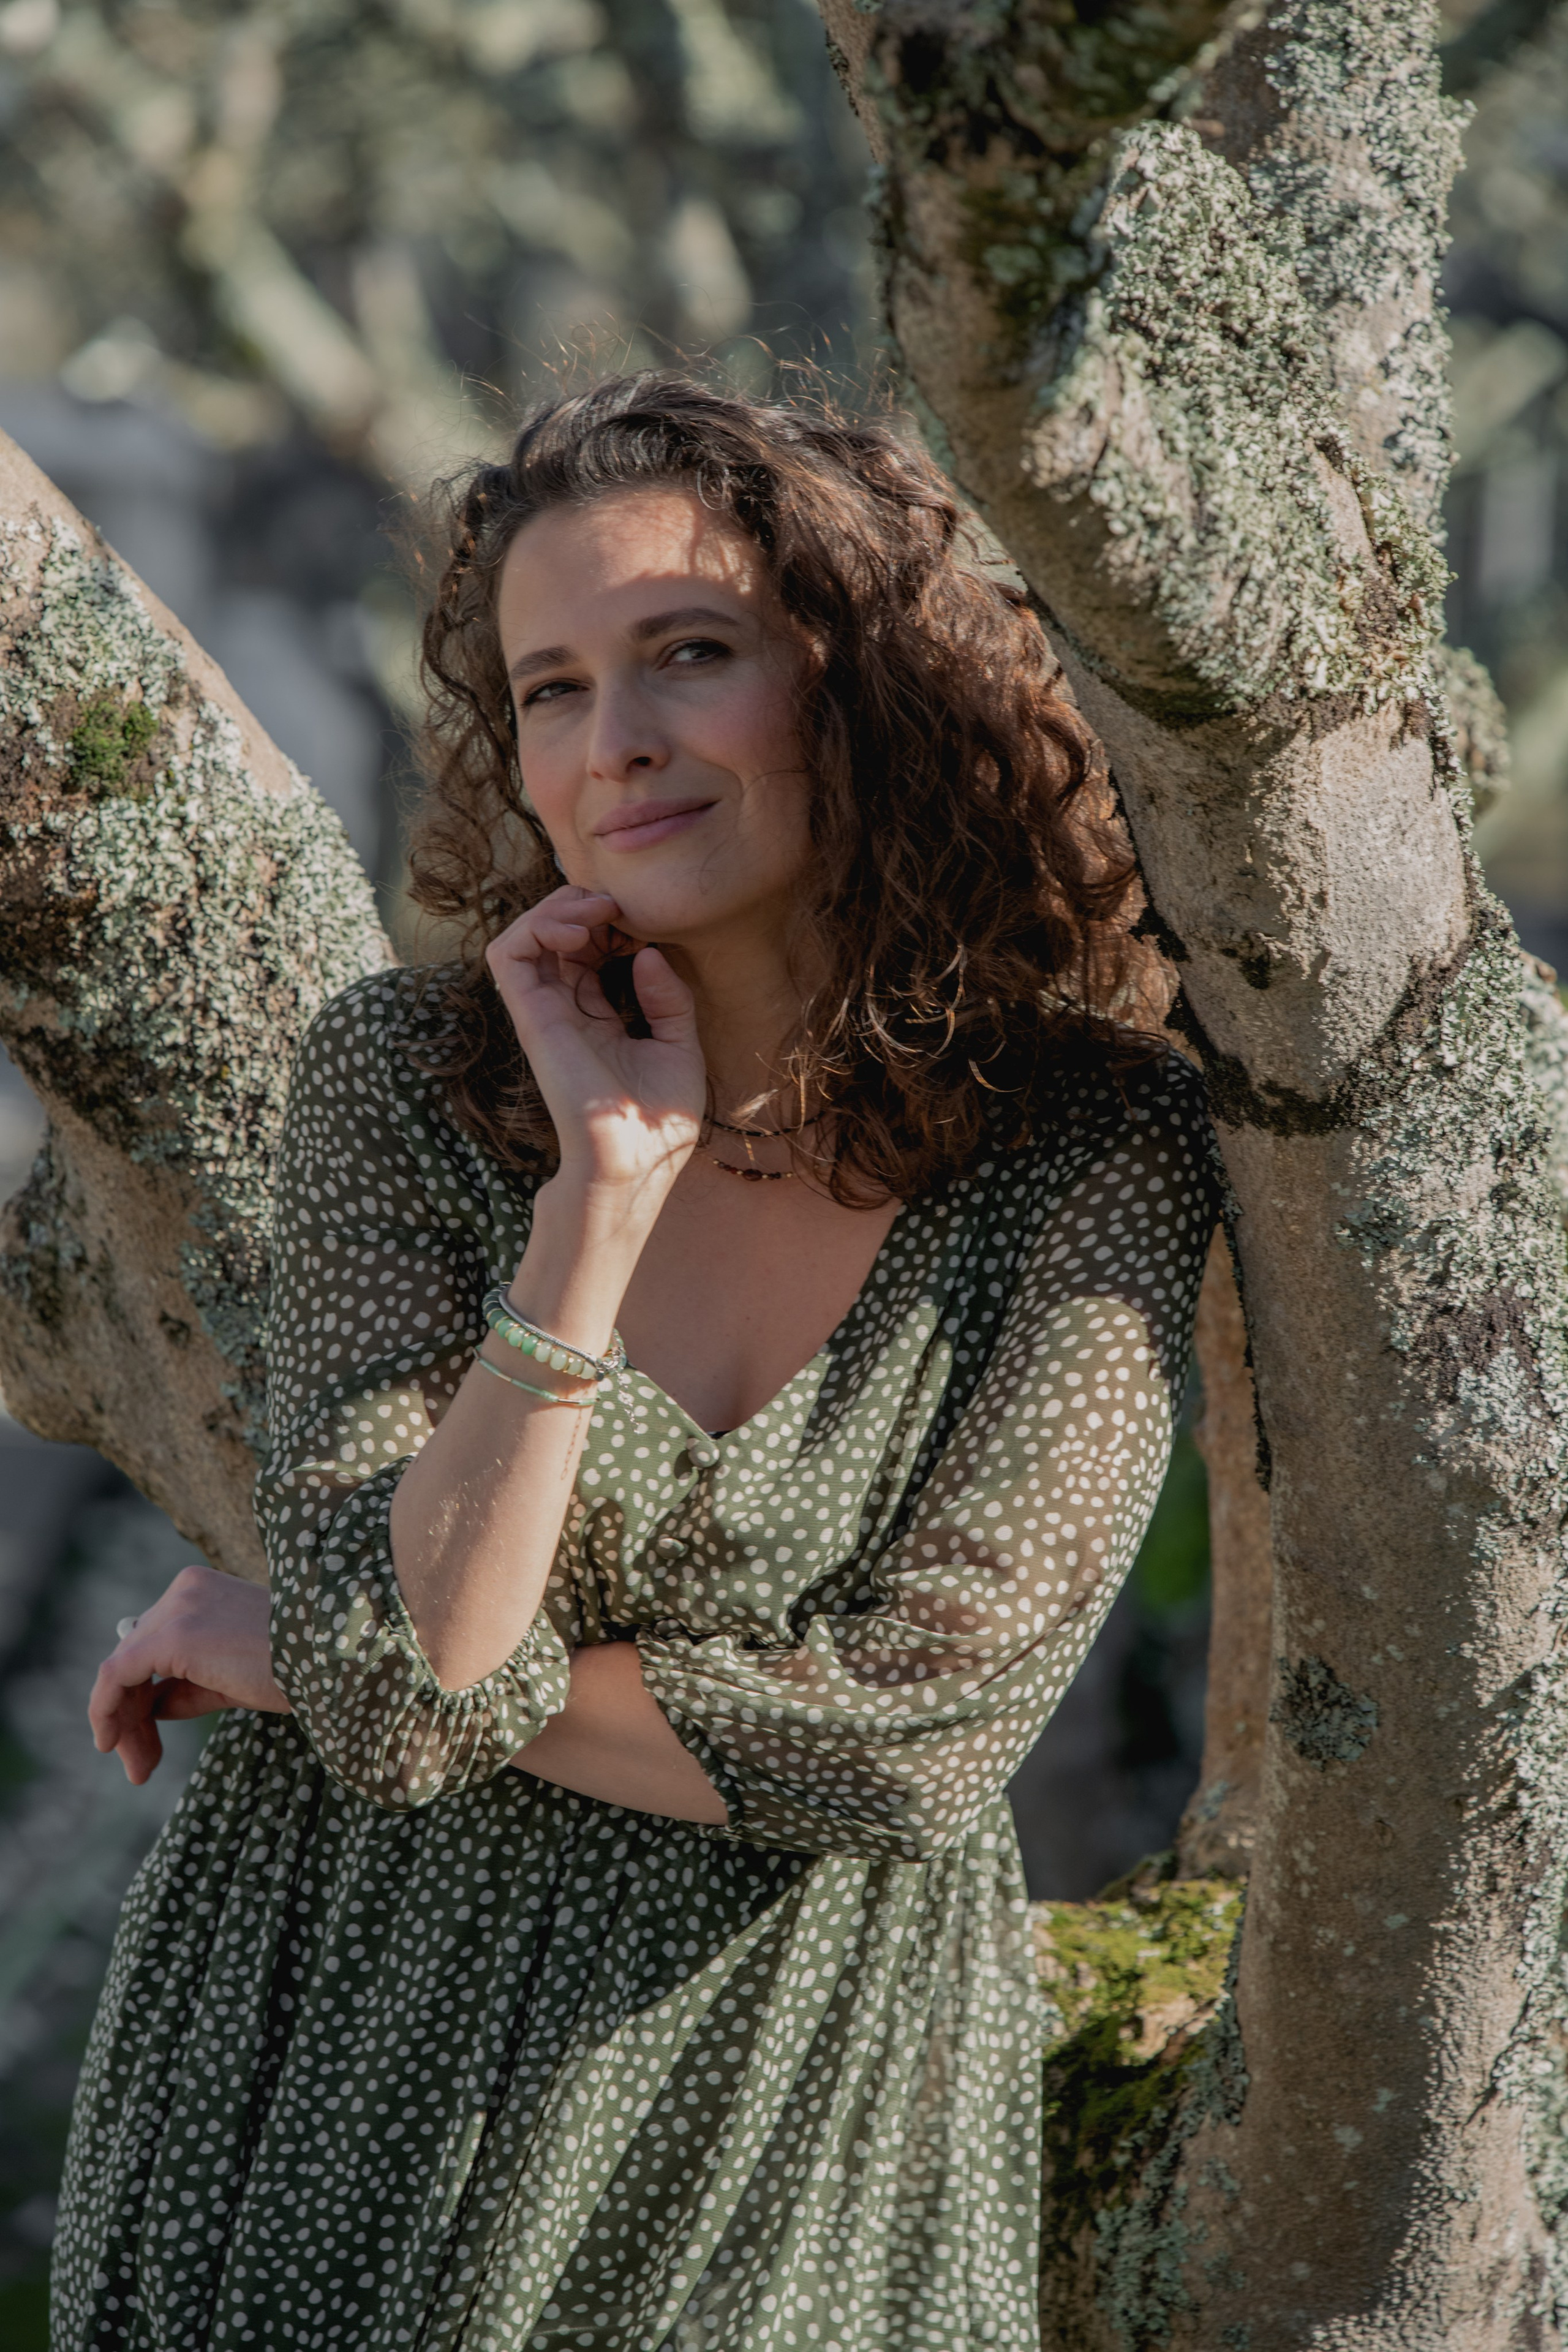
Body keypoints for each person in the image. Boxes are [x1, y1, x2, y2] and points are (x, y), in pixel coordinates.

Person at [55, 374, 1217, 2352]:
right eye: (557, 690)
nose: (619, 746)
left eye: (692, 655)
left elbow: (921, 1739)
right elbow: (412, 1708)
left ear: (869, 681)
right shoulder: (406, 1084)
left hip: (786, 2121)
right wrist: (596, 1198)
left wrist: (345, 1657)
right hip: (336, 2077)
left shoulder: (1090, 1143)